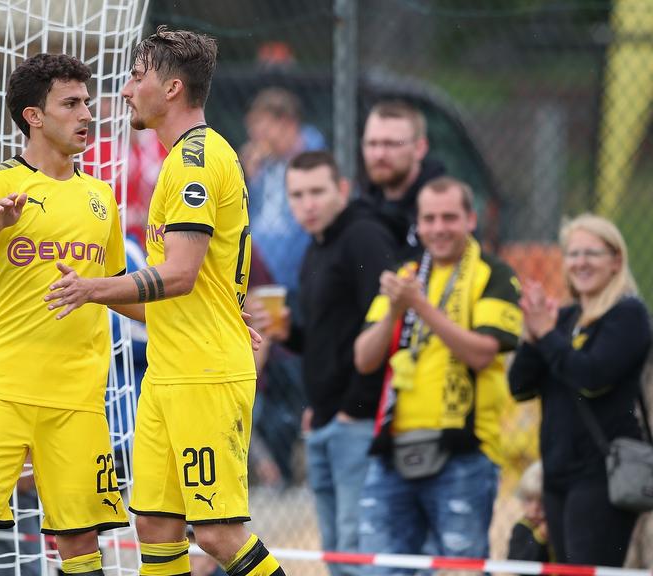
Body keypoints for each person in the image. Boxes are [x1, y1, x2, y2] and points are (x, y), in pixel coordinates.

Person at [46, 27, 286, 576]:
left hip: (204, 374)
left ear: (172, 88)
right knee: (155, 524)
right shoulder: (185, 157)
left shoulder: (195, 160)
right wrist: (97, 293)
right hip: (168, 372)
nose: (126, 90)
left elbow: (178, 274)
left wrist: (92, 287)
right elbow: (174, 295)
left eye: (137, 77)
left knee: (219, 535)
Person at [0, 53, 128, 576]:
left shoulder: (101, 198)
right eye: (71, 103)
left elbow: (117, 289)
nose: (86, 114)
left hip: (78, 396)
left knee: (80, 541)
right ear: (34, 116)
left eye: (86, 102)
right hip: (2, 388)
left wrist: (210, 318)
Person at [352, 176, 521, 564]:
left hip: (464, 450)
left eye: (449, 217)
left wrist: (421, 307)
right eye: (429, 219)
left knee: (460, 569)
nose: (439, 228)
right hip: (393, 448)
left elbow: (483, 354)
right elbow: (364, 358)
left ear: (471, 220)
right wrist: (395, 311)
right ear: (418, 223)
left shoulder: (494, 273)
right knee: (383, 569)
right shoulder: (407, 275)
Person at [252, 151, 395, 574]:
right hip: (325, 418)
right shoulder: (316, 248)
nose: (307, 204)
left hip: (358, 422)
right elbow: (325, 339)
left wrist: (354, 409)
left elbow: (388, 328)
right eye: (297, 195)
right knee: (336, 552)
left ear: (343, 190)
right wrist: (289, 332)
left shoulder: (363, 237)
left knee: (356, 548)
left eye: (317, 191)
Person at [508, 214, 649, 566]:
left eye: (592, 253)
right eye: (573, 254)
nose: (580, 262)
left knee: (588, 569)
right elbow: (520, 386)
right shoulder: (564, 318)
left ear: (616, 260)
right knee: (566, 568)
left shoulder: (627, 315)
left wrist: (547, 334)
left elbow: (592, 377)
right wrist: (532, 335)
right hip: (557, 471)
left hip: (601, 474)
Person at [241, 87, 326, 291]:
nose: (256, 138)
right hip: (257, 271)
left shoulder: (314, 160)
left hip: (296, 273)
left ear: (288, 124)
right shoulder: (261, 164)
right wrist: (245, 176)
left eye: (263, 130)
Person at [360, 100, 446, 255]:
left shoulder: (444, 207)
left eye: (391, 144)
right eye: (372, 144)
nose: (379, 154)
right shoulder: (362, 209)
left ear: (419, 148)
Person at [507, 461, 551, 562]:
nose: (535, 508)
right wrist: (540, 537)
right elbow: (518, 563)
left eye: (541, 501)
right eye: (529, 500)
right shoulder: (521, 528)